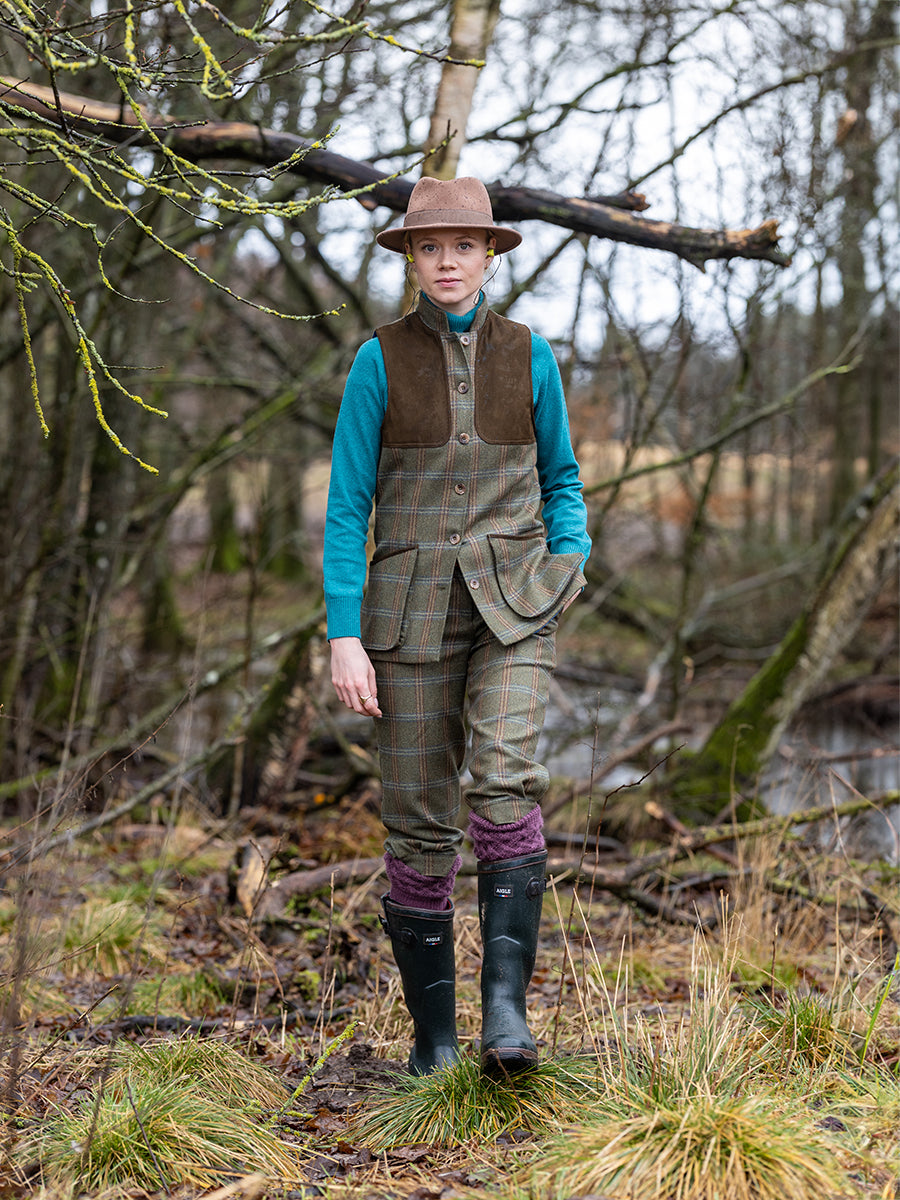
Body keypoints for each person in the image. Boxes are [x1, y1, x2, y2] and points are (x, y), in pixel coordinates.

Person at [323, 176, 591, 1078]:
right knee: (417, 821)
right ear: (411, 257)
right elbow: (347, 508)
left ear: (489, 256)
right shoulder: (377, 361)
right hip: (406, 619)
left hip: (517, 606)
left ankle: (506, 1018)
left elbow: (562, 478)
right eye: (430, 247)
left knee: (507, 778)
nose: (447, 262)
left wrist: (569, 560)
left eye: (464, 246)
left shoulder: (531, 354)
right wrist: (344, 633)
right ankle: (434, 1047)